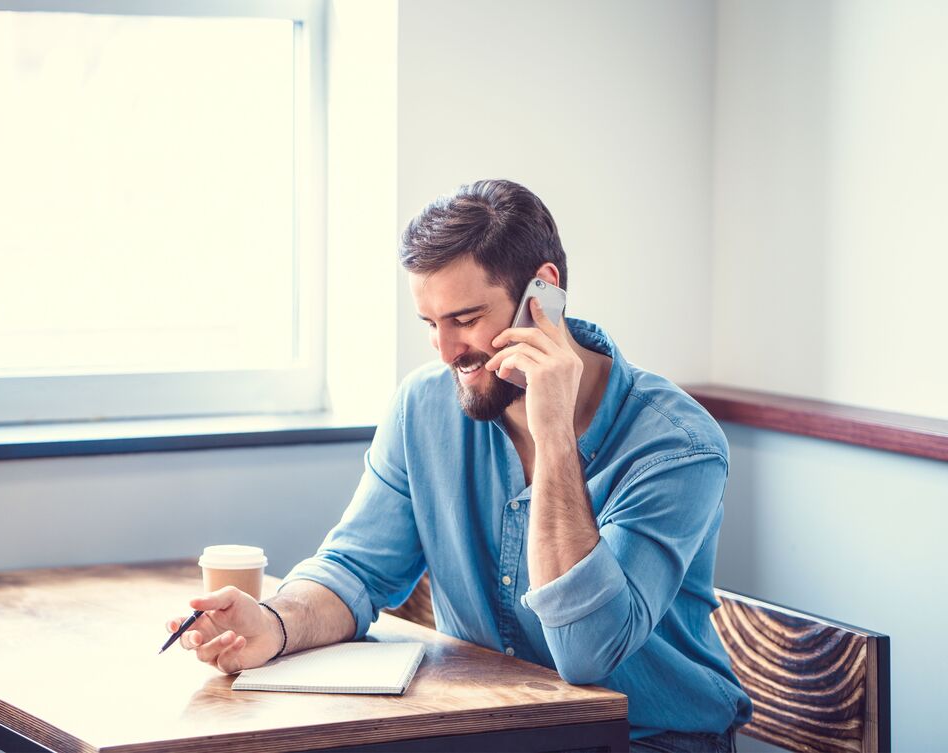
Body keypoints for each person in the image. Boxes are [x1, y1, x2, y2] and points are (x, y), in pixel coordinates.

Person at [166, 179, 752, 752]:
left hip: (648, 738)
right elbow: (356, 569)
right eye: (430, 324)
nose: (446, 353)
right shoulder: (422, 407)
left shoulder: (677, 445)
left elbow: (586, 652)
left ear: (542, 294)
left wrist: (553, 436)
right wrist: (274, 624)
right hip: (489, 729)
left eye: (465, 320)